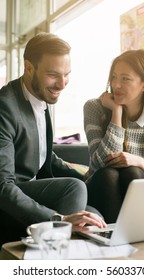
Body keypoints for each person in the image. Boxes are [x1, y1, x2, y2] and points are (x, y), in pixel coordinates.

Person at [0, 32, 106, 246]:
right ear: (29, 67)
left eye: (66, 74)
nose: (62, 84)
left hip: (30, 191)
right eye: (53, 75)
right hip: (8, 202)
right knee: (74, 189)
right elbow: (2, 187)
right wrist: (58, 219)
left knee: (94, 217)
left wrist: (90, 175)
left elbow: (42, 155)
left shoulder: (39, 97)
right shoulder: (5, 107)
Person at [84, 49, 144, 223]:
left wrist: (142, 164)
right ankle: (113, 239)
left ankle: (131, 237)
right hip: (99, 188)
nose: (116, 85)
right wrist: (116, 114)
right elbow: (99, 164)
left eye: (125, 79)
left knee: (134, 172)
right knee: (108, 174)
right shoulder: (94, 108)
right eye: (114, 77)